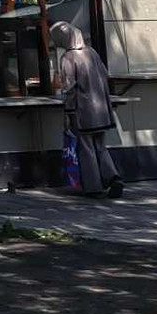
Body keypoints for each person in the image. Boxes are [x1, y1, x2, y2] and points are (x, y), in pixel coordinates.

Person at [52, 20, 123, 199]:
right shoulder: (92, 53)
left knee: (86, 148)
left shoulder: (68, 58)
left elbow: (69, 88)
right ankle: (112, 177)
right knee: (100, 146)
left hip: (83, 110)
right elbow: (105, 75)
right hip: (101, 109)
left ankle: (93, 186)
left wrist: (69, 112)